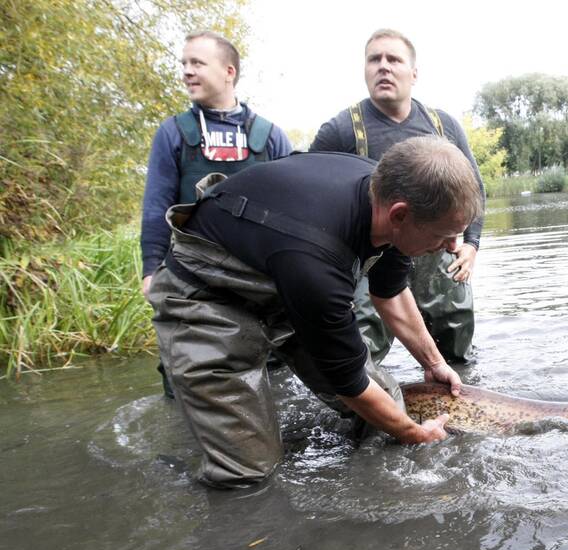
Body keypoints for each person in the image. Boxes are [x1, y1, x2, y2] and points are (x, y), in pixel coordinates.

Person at [146, 136, 483, 489]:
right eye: (445, 236)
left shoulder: (391, 194)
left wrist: (434, 363)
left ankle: (368, 475)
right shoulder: (318, 262)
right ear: (399, 214)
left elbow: (391, 292)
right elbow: (350, 383)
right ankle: (179, 481)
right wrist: (415, 435)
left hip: (284, 278)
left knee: (389, 404)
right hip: (205, 296)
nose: (451, 247)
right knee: (248, 472)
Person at [308, 28, 484, 365]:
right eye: (375, 59)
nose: (383, 67)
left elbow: (474, 187)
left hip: (438, 255)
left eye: (394, 59)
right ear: (364, 70)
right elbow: (313, 196)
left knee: (456, 343)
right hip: (369, 257)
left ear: (413, 73)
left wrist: (472, 243)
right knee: (360, 348)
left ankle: (460, 401)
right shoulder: (342, 129)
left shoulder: (443, 125)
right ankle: (368, 408)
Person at [139, 30, 293, 396]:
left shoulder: (271, 137)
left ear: (228, 72)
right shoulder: (173, 133)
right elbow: (156, 206)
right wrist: (150, 270)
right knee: (188, 380)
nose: (187, 72)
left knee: (273, 381)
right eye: (184, 64)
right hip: (191, 282)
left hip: (259, 283)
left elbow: (293, 213)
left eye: (197, 63)